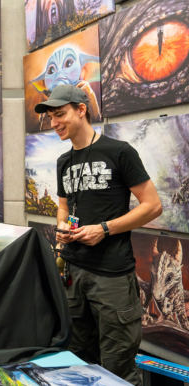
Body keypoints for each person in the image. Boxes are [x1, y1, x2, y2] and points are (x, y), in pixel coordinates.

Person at [36, 84, 162, 386]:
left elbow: (153, 206)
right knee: (78, 361)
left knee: (118, 366)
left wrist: (105, 229)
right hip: (74, 275)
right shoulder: (63, 161)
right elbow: (63, 209)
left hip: (112, 277)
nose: (54, 123)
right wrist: (63, 230)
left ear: (81, 110)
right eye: (51, 117)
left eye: (60, 114)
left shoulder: (119, 152)